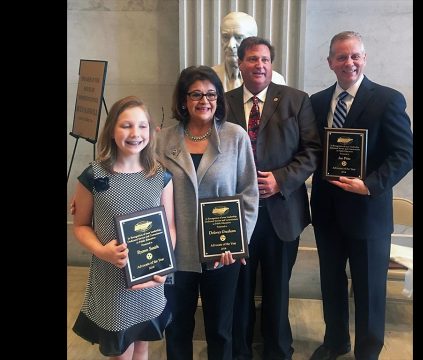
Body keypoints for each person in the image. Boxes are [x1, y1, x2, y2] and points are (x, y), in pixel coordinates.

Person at [308, 31, 413, 360]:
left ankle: (368, 351)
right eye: (341, 57)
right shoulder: (317, 102)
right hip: (327, 211)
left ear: (364, 58)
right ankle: (335, 341)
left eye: (355, 56)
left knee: (369, 289)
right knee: (332, 282)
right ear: (330, 63)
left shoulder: (387, 99)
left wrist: (369, 184)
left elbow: (405, 153)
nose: (348, 62)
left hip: (369, 212)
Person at [225, 36, 321, 360]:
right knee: (240, 288)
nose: (259, 65)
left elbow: (312, 152)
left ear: (272, 64)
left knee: (278, 288)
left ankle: (278, 350)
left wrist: (280, 180)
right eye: (252, 59)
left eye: (265, 59)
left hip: (282, 212)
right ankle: (240, 350)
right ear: (240, 63)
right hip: (235, 213)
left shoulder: (296, 100)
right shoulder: (222, 103)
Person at [156, 65, 259, 360]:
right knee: (176, 329)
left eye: (211, 94)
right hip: (176, 253)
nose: (205, 101)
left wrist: (239, 242)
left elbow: (249, 193)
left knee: (220, 330)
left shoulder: (235, 136)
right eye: (197, 94)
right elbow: (143, 184)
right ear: (183, 100)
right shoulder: (162, 141)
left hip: (222, 254)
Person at [71, 95, 177, 359]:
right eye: (126, 125)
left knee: (143, 344)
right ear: (111, 131)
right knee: (120, 351)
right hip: (112, 282)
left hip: (150, 280)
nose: (135, 133)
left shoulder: (161, 176)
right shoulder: (94, 176)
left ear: (151, 132)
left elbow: (170, 227)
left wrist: (163, 266)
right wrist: (102, 251)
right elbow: (81, 225)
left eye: (142, 126)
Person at [212, 11, 286, 92]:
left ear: (253, 40)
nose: (230, 45)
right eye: (225, 37)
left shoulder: (276, 81)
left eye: (239, 38)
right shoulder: (209, 78)